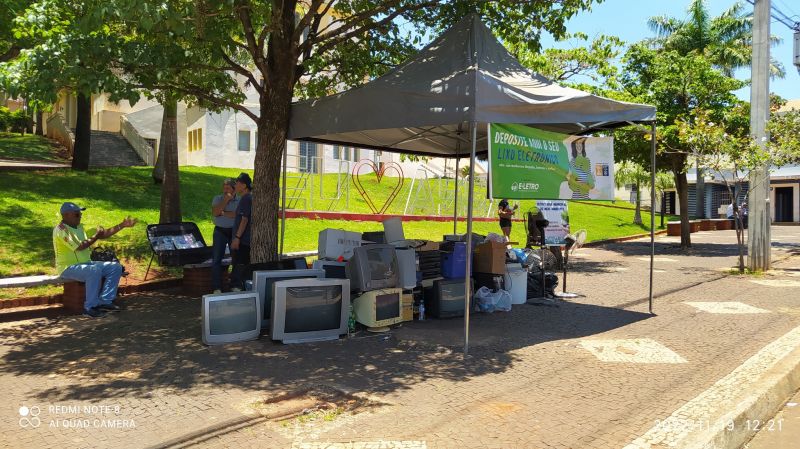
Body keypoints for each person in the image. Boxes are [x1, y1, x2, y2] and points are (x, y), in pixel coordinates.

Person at [53, 202, 138, 317]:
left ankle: (105, 301)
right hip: (67, 268)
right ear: (66, 215)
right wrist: (96, 236)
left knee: (115, 267)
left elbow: (103, 234)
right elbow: (80, 246)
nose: (80, 216)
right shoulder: (61, 230)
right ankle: (90, 307)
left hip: (86, 264)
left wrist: (122, 225)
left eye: (80, 214)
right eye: (77, 214)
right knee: (94, 270)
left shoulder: (80, 227)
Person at [211, 178, 240, 293]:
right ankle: (216, 287)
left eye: (228, 188)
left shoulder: (240, 200)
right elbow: (215, 213)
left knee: (236, 259)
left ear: (234, 189)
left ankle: (235, 285)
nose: (225, 190)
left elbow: (236, 215)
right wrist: (225, 200)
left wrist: (222, 213)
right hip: (220, 231)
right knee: (217, 259)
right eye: (224, 187)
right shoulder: (217, 199)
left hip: (234, 232)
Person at [230, 172, 252, 291]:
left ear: (244, 186)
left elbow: (244, 219)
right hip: (243, 240)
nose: (236, 185)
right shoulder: (246, 198)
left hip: (243, 241)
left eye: (238, 183)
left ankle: (237, 289)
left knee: (239, 266)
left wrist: (237, 238)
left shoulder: (246, 198)